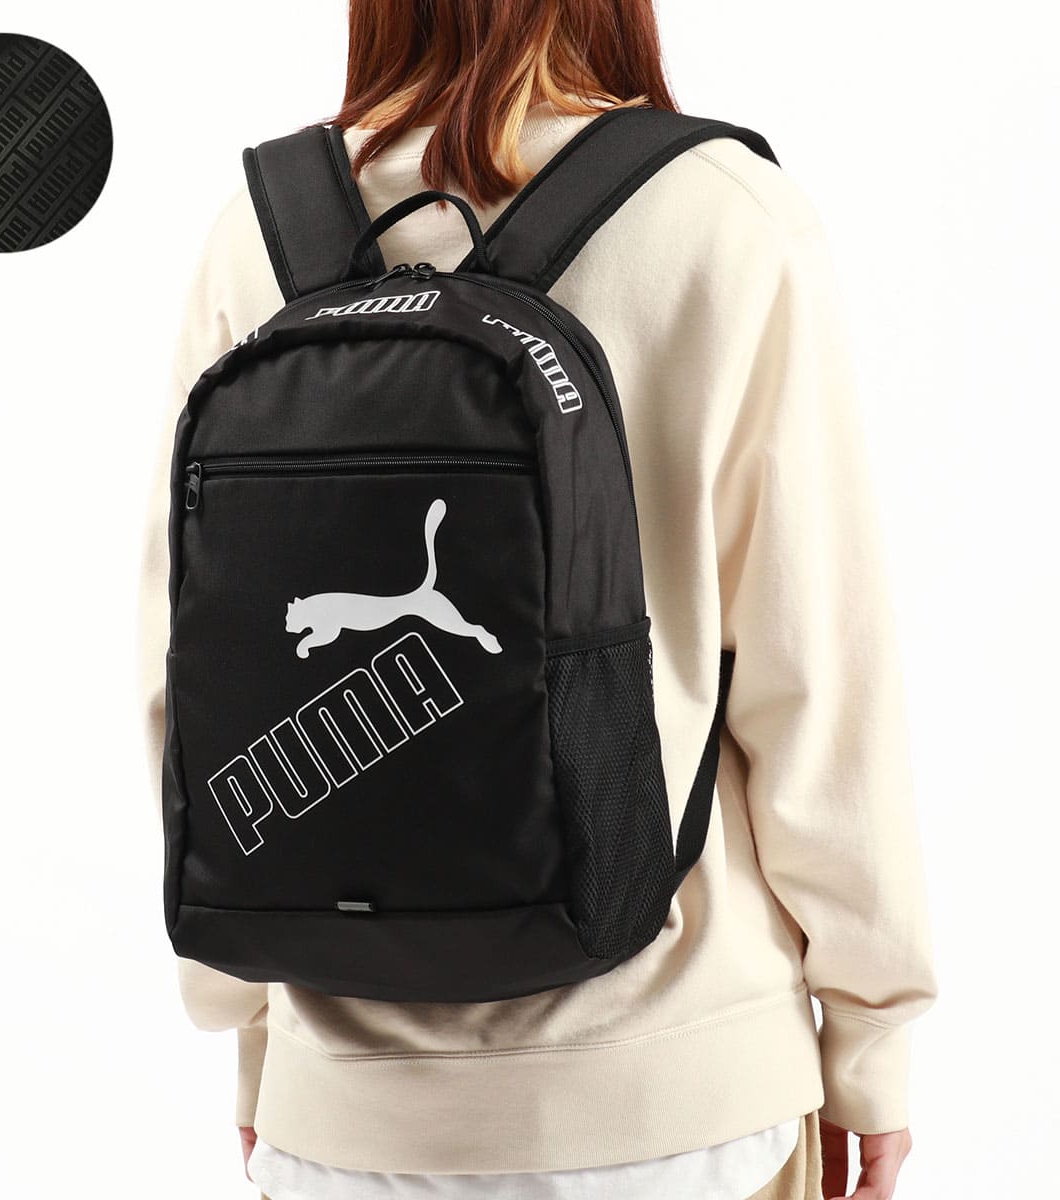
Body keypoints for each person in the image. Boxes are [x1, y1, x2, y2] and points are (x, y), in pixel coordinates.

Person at [138, 2, 938, 1197]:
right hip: (680, 1101)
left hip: (344, 1121)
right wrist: (871, 1038)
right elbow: (816, 675)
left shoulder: (258, 229)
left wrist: (258, 1042)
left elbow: (192, 670)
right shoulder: (727, 214)